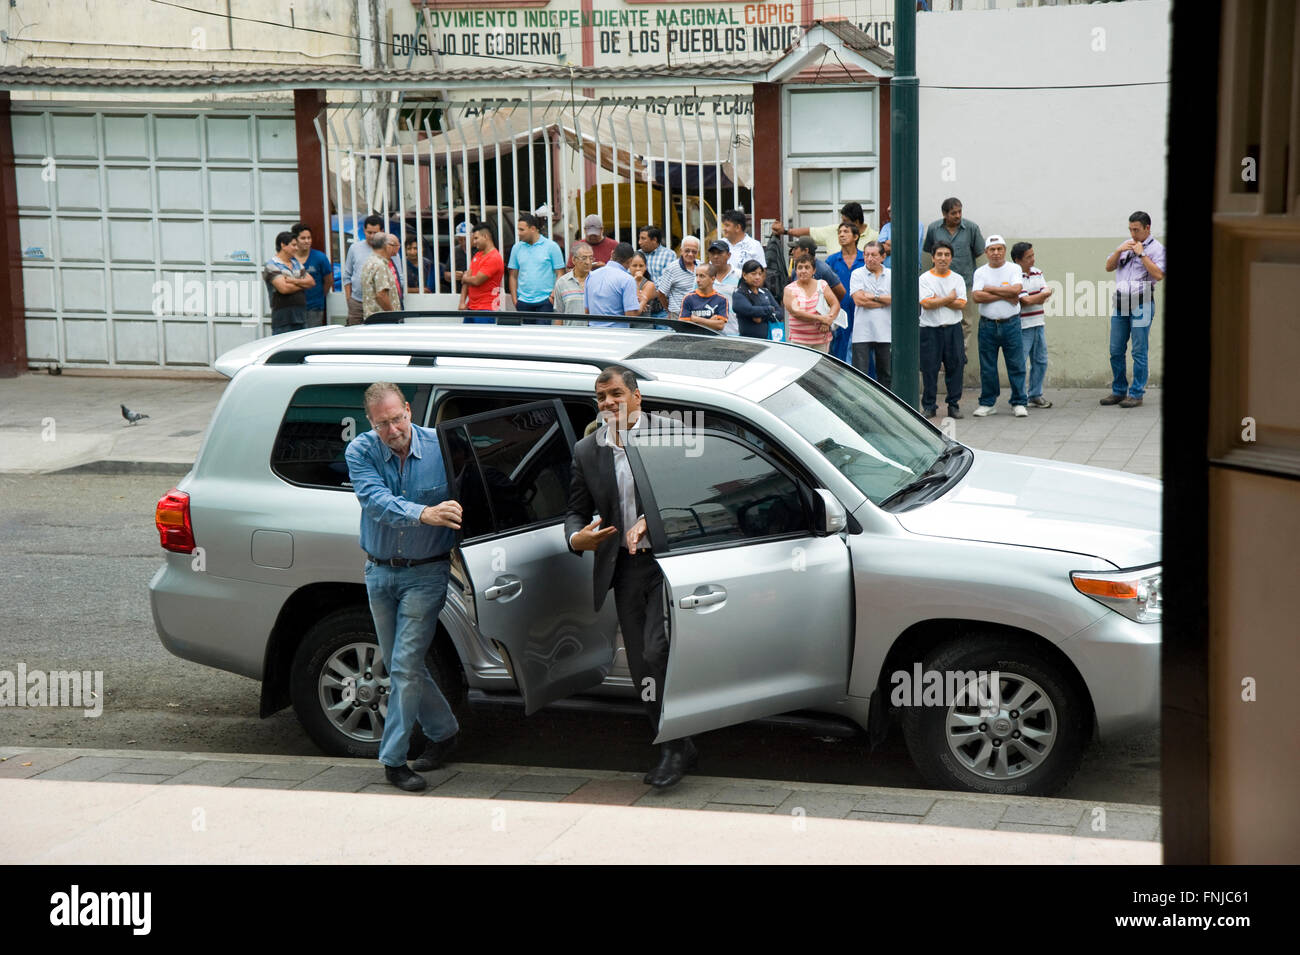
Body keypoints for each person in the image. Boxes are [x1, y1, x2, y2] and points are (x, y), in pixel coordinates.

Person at [564, 366, 696, 788]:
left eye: (616, 394)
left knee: (659, 653)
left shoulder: (671, 434)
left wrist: (649, 522)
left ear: (637, 397)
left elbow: (693, 493)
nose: (608, 404)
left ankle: (677, 739)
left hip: (670, 562)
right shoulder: (587, 450)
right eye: (601, 397)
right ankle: (670, 742)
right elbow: (575, 509)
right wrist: (576, 538)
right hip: (625, 568)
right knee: (642, 664)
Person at [344, 381, 464, 792]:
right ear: (370, 423)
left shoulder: (441, 446)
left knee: (404, 664)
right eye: (383, 424)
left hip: (427, 573)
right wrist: (424, 513)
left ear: (409, 410)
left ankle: (393, 760)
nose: (393, 430)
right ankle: (445, 731)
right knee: (400, 663)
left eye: (397, 419)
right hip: (379, 570)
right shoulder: (360, 450)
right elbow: (374, 501)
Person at [1101, 210, 1166, 408]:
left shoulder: (1157, 249)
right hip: (1121, 302)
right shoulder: (1126, 245)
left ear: (1147, 228)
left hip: (1142, 302)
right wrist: (1120, 251)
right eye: (1130, 229)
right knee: (1115, 349)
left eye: (1136, 230)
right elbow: (1109, 267)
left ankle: (1136, 393)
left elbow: (1159, 274)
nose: (1132, 234)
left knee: (1139, 350)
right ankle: (1119, 390)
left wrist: (1142, 254)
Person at [971, 235, 1027, 417]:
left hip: (1011, 324)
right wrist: (1006, 294)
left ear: (1004, 250)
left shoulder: (1014, 268)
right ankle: (988, 402)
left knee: (1016, 364)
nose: (996, 253)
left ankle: (1019, 402)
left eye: (999, 249)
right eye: (992, 250)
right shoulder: (980, 272)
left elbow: (1016, 290)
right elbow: (977, 297)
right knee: (988, 366)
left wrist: (989, 288)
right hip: (987, 325)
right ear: (986, 252)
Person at [923, 198, 984, 356]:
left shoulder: (971, 228)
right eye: (953, 213)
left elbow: (978, 252)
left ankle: (959, 356)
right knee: (938, 316)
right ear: (944, 214)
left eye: (960, 212)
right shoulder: (934, 229)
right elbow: (931, 251)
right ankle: (940, 357)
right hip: (936, 281)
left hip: (965, 281)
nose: (958, 215)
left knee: (966, 322)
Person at [918, 241, 967, 420]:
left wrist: (939, 299)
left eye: (947, 255)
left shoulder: (957, 279)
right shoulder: (924, 279)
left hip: (953, 329)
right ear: (933, 257)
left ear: (951, 258)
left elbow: (961, 303)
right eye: (939, 255)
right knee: (929, 368)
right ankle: (929, 406)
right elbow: (926, 303)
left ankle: (953, 405)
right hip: (930, 330)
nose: (943, 258)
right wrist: (949, 298)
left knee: (956, 366)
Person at [1013, 241, 1054, 409]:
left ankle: (1035, 395)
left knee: (1041, 361)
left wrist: (1035, 297)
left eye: (1033, 255)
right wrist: (1039, 296)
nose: (1033, 260)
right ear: (1018, 260)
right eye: (1028, 257)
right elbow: (1025, 301)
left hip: (1038, 323)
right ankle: (1019, 397)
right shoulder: (1014, 276)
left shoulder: (1037, 272)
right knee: (1020, 363)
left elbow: (1046, 293)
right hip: (1022, 326)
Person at [508, 212, 565, 323]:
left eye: (522, 230)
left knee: (542, 338)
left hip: (545, 301)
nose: (519, 233)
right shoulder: (516, 248)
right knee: (526, 339)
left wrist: (553, 296)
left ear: (533, 229)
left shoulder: (552, 247)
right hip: (523, 302)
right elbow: (512, 275)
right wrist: (515, 300)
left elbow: (560, 273)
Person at [849, 240, 891, 389]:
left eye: (873, 255)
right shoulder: (857, 274)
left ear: (883, 257)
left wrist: (873, 297)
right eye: (866, 255)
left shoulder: (891, 275)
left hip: (886, 332)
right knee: (860, 375)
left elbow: (896, 299)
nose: (869, 258)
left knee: (886, 374)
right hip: (862, 332)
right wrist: (884, 301)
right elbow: (859, 300)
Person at [263, 231, 315, 335]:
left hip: (300, 317)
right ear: (283, 245)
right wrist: (302, 284)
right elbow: (284, 288)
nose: (297, 248)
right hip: (283, 319)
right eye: (294, 245)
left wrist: (293, 281)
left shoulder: (296, 263)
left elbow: (311, 282)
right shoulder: (272, 265)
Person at [771, 200, 879, 251]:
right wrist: (785, 231)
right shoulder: (834, 230)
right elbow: (809, 231)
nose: (842, 227)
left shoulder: (875, 237)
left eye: (846, 221)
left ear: (856, 222)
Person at [826, 222, 864, 362]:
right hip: (839, 310)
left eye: (846, 232)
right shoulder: (832, 260)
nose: (841, 235)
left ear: (855, 236)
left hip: (862, 308)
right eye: (839, 232)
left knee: (863, 349)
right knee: (839, 347)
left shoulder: (865, 258)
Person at [783, 253, 837, 352]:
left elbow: (835, 304)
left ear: (814, 270)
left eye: (807, 267)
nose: (803, 271)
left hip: (822, 340)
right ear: (796, 270)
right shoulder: (789, 289)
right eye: (800, 268)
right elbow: (796, 313)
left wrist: (828, 320)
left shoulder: (822, 284)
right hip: (799, 341)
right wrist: (821, 318)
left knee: (820, 367)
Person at [583, 241, 640, 328]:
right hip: (617, 334)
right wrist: (644, 301)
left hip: (593, 332)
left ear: (612, 253)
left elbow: (587, 311)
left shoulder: (591, 276)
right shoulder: (628, 280)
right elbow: (631, 315)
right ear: (630, 261)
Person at [457, 222, 505, 321]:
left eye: (476, 238)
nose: (473, 242)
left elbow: (476, 281)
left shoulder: (494, 257)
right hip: (471, 307)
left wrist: (465, 278)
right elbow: (468, 278)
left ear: (485, 236)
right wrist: (462, 302)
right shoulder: (477, 255)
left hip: (487, 309)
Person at [341, 214, 383, 326]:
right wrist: (349, 300)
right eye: (369, 232)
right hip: (357, 303)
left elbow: (399, 278)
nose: (372, 236)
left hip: (380, 303)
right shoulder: (355, 248)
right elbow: (347, 276)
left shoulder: (388, 248)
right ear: (364, 231)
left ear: (382, 231)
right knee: (354, 336)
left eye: (376, 233)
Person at [292, 222, 332, 328]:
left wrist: (319, 296)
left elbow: (328, 280)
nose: (307, 241)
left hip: (314, 308)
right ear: (295, 240)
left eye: (309, 238)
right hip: (293, 307)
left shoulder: (320, 257)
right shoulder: (289, 258)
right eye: (303, 238)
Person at [731, 258, 780, 339]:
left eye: (760, 274)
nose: (757, 277)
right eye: (753, 274)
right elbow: (749, 310)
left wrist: (762, 318)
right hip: (749, 342)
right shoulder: (739, 293)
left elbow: (779, 312)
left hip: (770, 340)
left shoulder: (765, 292)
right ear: (744, 275)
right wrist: (770, 309)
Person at [655, 236, 700, 318]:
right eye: (687, 251)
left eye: (694, 251)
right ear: (681, 251)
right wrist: (669, 310)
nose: (690, 254)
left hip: (699, 316)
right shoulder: (672, 268)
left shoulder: (701, 266)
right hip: (678, 315)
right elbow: (661, 293)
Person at [358, 233, 399, 321]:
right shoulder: (380, 265)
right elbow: (381, 295)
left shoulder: (369, 261)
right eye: (394, 245)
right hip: (383, 320)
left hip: (372, 318)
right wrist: (393, 315)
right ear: (387, 246)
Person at [705, 239, 742, 335]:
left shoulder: (739, 275)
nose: (716, 256)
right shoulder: (702, 275)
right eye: (712, 253)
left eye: (720, 253)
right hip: (708, 332)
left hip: (735, 331)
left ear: (729, 255)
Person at [679, 263, 729, 332]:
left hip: (713, 341)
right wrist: (710, 322)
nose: (698, 280)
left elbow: (720, 326)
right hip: (693, 340)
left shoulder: (722, 299)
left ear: (712, 279)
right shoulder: (688, 298)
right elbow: (684, 325)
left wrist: (696, 319)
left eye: (702, 276)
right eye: (697, 276)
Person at [878, 203, 923, 270]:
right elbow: (880, 249)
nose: (888, 208)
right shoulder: (886, 227)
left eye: (892, 205)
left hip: (909, 270)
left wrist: (889, 243)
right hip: (888, 271)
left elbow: (910, 247)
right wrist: (901, 242)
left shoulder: (916, 225)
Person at [554, 241, 592, 319]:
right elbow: (559, 314)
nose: (588, 262)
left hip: (593, 330)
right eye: (584, 258)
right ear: (574, 260)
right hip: (570, 330)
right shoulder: (562, 283)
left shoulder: (598, 280)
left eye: (591, 258)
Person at [720, 209, 765, 275]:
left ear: (738, 227)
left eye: (727, 225)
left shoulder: (754, 245)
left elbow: (762, 272)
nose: (724, 229)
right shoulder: (720, 244)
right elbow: (712, 268)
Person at [628, 251, 665, 317]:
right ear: (629, 266)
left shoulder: (649, 284)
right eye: (634, 265)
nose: (638, 269)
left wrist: (636, 281)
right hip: (626, 324)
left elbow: (636, 304)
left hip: (643, 324)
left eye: (641, 266)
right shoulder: (625, 281)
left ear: (645, 267)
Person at [384, 235, 405, 310]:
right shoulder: (379, 263)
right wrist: (391, 311)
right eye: (397, 245)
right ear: (389, 246)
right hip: (388, 307)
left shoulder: (394, 258)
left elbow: (399, 278)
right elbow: (381, 294)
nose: (398, 248)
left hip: (397, 300)